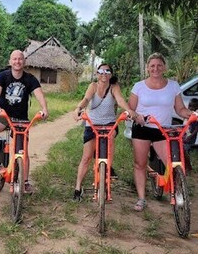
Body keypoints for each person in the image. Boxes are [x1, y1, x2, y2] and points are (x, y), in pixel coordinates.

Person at [128, 52, 193, 211]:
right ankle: (142, 198)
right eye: (152, 66)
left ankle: (178, 194)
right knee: (140, 164)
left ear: (164, 67)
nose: (155, 68)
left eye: (159, 65)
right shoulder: (139, 86)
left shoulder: (173, 86)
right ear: (147, 68)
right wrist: (137, 117)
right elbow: (130, 109)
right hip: (142, 129)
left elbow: (180, 109)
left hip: (163, 130)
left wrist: (192, 115)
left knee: (173, 164)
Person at [0, 50, 49, 194]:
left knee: (23, 151)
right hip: (3, 116)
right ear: (10, 61)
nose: (17, 61)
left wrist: (44, 108)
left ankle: (25, 181)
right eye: (14, 59)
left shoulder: (30, 79)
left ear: (24, 62)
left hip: (21, 120)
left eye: (20, 59)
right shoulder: (2, 76)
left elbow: (39, 94)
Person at [72, 63, 138, 201]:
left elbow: (120, 100)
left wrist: (129, 110)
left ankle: (106, 176)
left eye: (107, 71)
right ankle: (77, 188)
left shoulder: (114, 87)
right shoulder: (93, 86)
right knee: (86, 157)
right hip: (92, 124)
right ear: (97, 74)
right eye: (101, 71)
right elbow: (86, 99)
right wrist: (78, 108)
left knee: (110, 145)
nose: (104, 74)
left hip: (109, 124)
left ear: (111, 74)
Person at [183, 98, 198, 173]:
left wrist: (189, 137)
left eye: (193, 107)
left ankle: (189, 167)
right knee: (183, 151)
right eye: (190, 106)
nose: (191, 108)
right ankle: (186, 166)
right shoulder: (187, 115)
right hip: (185, 136)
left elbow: (196, 129)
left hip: (190, 138)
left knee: (185, 151)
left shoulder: (195, 117)